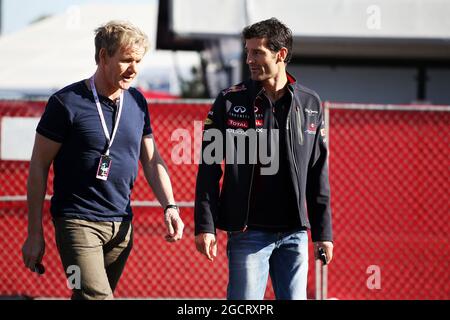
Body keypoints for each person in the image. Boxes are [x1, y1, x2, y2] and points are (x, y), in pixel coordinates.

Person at [21, 20, 184, 300]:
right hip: (76, 224)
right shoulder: (65, 103)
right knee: (96, 298)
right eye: (126, 60)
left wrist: (170, 206)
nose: (134, 69)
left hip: (121, 227)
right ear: (103, 57)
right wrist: (34, 233)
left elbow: (152, 160)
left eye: (138, 61)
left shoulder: (137, 102)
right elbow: (38, 167)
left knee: (83, 296)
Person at [194, 18, 333, 300]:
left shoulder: (310, 103)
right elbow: (208, 168)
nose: (249, 60)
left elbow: (319, 173)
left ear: (280, 55)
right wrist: (205, 225)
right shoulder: (229, 100)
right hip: (247, 232)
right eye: (247, 52)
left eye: (257, 52)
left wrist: (323, 232)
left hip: (295, 233)